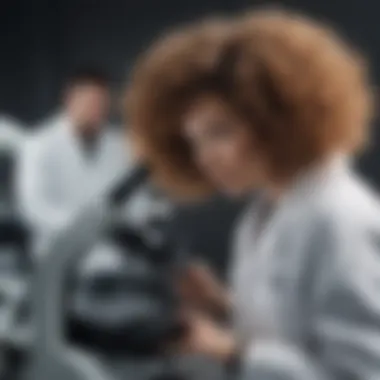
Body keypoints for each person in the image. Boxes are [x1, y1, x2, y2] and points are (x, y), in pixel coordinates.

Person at [126, 9, 380, 380]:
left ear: (275, 120)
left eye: (220, 132)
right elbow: (289, 335)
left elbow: (361, 372)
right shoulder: (260, 215)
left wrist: (231, 352)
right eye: (193, 141)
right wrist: (224, 306)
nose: (205, 158)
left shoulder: (340, 220)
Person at [17, 67, 130, 256]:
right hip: (58, 255)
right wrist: (85, 227)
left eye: (102, 103)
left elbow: (133, 201)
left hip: (112, 257)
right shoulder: (39, 145)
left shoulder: (120, 145)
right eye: (91, 102)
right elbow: (35, 206)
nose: (97, 110)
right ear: (70, 99)